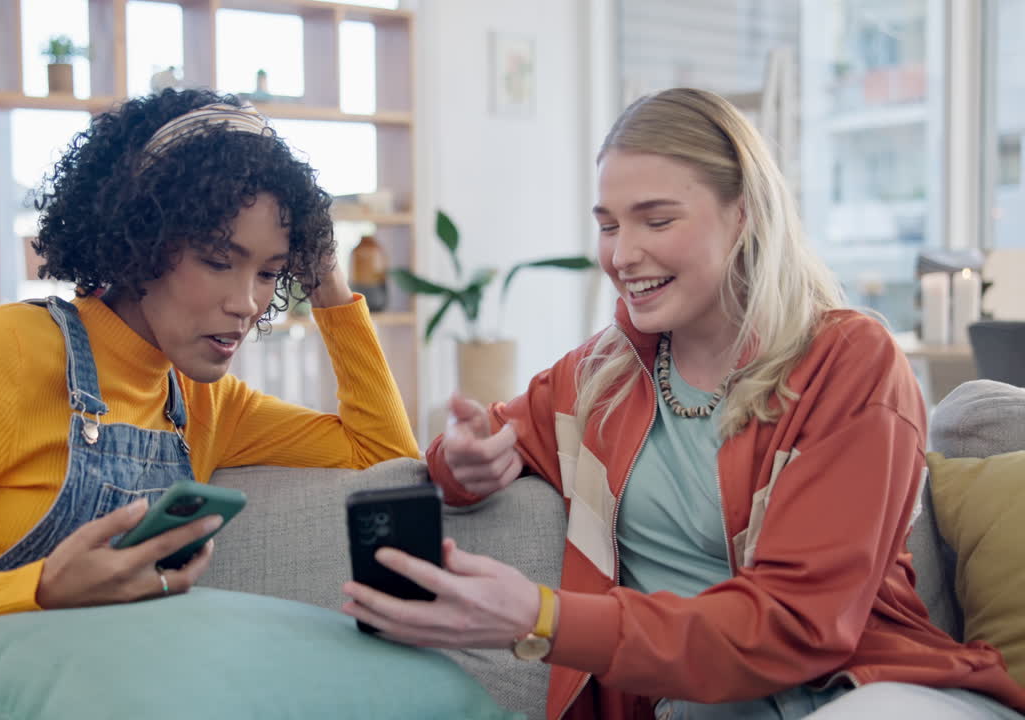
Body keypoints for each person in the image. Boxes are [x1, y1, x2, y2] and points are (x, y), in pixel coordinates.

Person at [341, 88, 1025, 720]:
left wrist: (542, 617)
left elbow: (798, 624)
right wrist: (465, 464)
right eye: (608, 225)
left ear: (744, 213)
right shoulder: (599, 378)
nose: (623, 253)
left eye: (656, 219)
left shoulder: (849, 362)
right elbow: (466, 453)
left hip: (877, 696)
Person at [0, 88, 420, 717]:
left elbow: (385, 456)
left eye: (269, 272)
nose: (248, 303)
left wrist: (330, 281)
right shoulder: (1, 352)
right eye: (217, 260)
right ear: (138, 240)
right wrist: (41, 590)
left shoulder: (204, 402)